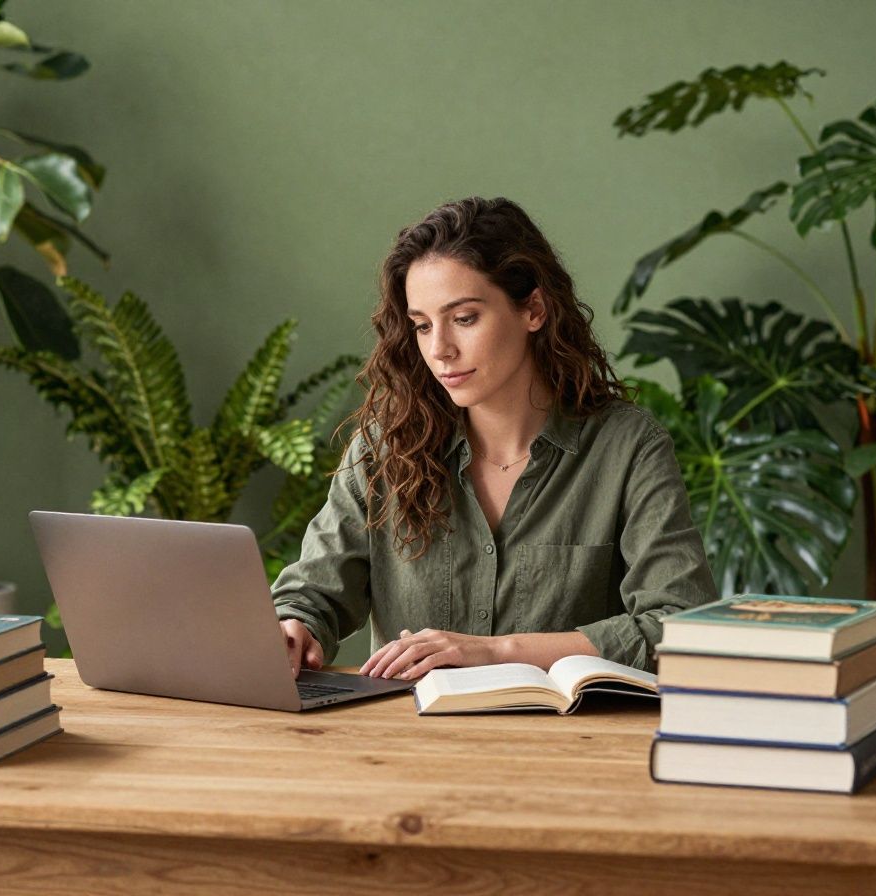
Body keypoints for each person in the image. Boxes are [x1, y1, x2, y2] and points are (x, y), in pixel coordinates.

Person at [273, 197, 716, 681]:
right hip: (405, 742)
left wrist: (498, 651)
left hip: (570, 747)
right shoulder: (384, 446)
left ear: (534, 310)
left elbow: (677, 627)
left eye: (464, 318)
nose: (439, 349)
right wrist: (294, 628)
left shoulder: (627, 447)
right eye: (422, 326)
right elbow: (313, 594)